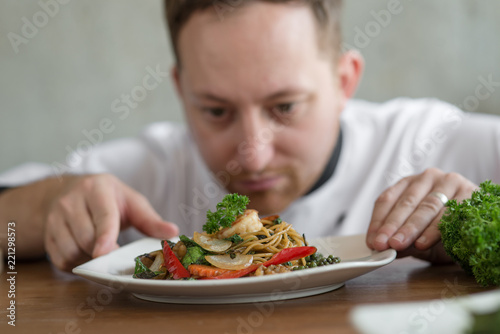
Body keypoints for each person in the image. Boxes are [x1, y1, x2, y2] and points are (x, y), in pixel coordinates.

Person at [1, 0, 499, 272]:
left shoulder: (439, 140)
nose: (253, 153)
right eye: (216, 110)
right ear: (181, 90)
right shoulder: (153, 170)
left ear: (344, 80)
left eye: (284, 107)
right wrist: (45, 209)